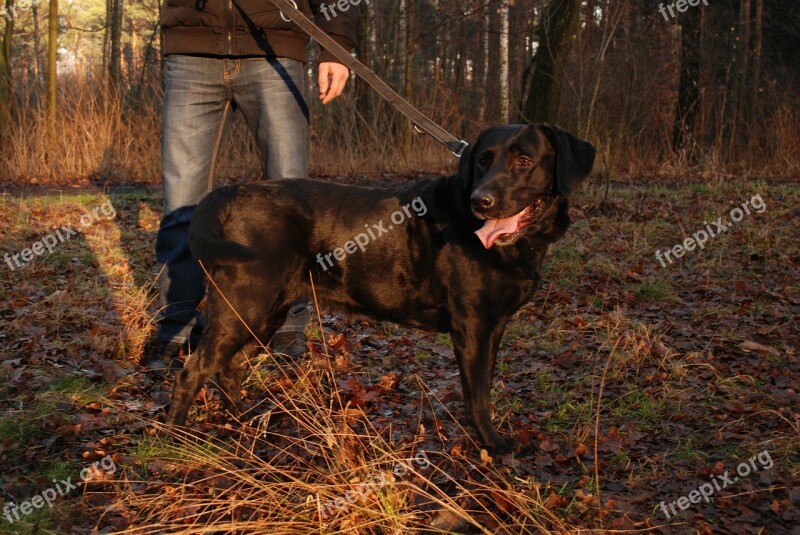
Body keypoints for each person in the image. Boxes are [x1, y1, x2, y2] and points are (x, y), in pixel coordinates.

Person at [142, 0, 360, 366]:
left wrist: (335, 44)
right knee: (182, 203)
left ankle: (288, 323)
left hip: (276, 48)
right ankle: (177, 323)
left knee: (291, 204)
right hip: (191, 48)